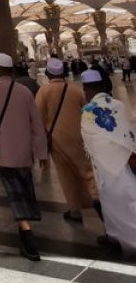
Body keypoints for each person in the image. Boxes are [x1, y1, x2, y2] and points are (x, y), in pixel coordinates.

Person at [0, 53, 47, 261]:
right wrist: (41, 152)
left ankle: (27, 235)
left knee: (14, 192)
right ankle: (25, 225)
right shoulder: (24, 91)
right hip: (24, 152)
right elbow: (37, 124)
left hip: (3, 152)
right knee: (24, 187)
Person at [80, 69, 136, 255]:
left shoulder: (88, 111)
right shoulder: (118, 104)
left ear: (86, 89)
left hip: (106, 167)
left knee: (112, 203)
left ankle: (119, 237)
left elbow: (90, 139)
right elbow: (126, 132)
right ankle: (113, 235)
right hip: (125, 162)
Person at [35, 57, 97, 223]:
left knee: (66, 174)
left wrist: (41, 148)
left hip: (57, 139)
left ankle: (75, 210)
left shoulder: (44, 91)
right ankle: (97, 197)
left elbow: (38, 120)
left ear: (48, 73)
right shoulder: (75, 90)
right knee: (86, 170)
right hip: (78, 136)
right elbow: (86, 113)